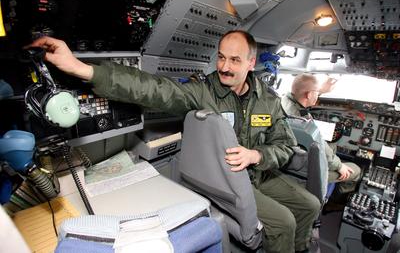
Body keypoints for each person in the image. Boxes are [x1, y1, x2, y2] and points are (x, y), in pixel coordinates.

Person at [30, 30, 320, 253]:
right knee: (284, 222)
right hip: (233, 179)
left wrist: (257, 155)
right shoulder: (203, 91)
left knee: (310, 204)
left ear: (252, 63)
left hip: (260, 170)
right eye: (221, 57)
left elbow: (284, 145)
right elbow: (154, 89)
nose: (225, 67)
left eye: (234, 60)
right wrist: (83, 69)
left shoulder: (268, 100)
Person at [281, 73, 361, 209]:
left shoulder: (284, 100)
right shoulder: (301, 121)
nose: (318, 96)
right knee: (356, 170)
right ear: (309, 94)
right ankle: (335, 201)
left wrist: (320, 90)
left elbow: (301, 93)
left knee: (332, 144)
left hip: (289, 157)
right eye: (316, 93)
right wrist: (340, 166)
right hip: (301, 169)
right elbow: (319, 146)